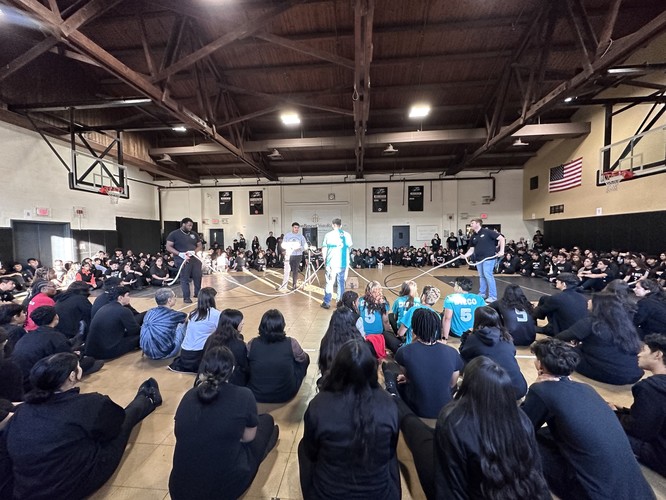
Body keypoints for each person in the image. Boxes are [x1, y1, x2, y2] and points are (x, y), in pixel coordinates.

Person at [0, 352, 161, 499]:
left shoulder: (23, 411)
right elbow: (114, 428)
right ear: (72, 376)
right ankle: (146, 399)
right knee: (125, 422)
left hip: (27, 490)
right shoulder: (90, 403)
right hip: (70, 486)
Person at [394, 356, 548, 500]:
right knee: (427, 433)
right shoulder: (522, 419)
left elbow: (450, 485)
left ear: (468, 386)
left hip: (471, 487)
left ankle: (394, 397)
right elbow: (536, 470)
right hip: (513, 489)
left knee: (417, 433)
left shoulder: (455, 419)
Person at [522, 338, 655, 500]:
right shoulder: (586, 388)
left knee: (524, 446)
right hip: (637, 491)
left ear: (541, 365)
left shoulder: (542, 390)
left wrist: (535, 387)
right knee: (549, 432)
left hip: (591, 493)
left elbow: (520, 428)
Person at [169, 347, 278, 500]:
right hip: (223, 491)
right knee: (267, 421)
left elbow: (180, 432)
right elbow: (248, 438)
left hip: (178, 491)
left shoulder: (189, 395)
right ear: (232, 369)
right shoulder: (244, 395)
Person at [299, 339, 400, 499]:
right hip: (381, 495)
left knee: (302, 447)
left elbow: (311, 452)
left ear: (337, 369)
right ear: (372, 370)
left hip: (327, 495)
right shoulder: (389, 405)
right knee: (393, 455)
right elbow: (389, 452)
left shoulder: (318, 405)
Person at [384, 308, 463, 418]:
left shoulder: (404, 351)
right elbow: (452, 384)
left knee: (389, 367)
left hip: (417, 409)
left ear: (414, 328)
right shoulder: (453, 352)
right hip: (445, 409)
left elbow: (409, 376)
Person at [556, 291, 644, 385]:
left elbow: (560, 337)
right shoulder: (625, 325)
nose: (588, 301)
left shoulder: (592, 323)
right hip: (634, 375)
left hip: (609, 374)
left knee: (558, 349)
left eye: (592, 300)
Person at [610, 333, 666, 477]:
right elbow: (658, 415)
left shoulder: (651, 387)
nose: (639, 354)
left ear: (657, 355)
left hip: (659, 455)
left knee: (601, 423)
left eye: (644, 350)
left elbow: (639, 431)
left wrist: (614, 415)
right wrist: (623, 412)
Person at [12, 306, 102, 392]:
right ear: (56, 317)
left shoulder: (28, 335)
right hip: (41, 379)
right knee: (91, 360)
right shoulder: (56, 336)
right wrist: (76, 355)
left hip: (23, 379)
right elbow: (66, 360)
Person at [459, 306, 527, 399]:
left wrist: (466, 335)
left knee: (462, 360)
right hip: (519, 388)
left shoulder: (475, 338)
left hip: (494, 394)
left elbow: (463, 353)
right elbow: (513, 352)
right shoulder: (506, 336)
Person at [247, 309, 310, 403]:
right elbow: (303, 359)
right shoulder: (291, 343)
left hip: (257, 394)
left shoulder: (252, 343)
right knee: (305, 358)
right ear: (282, 326)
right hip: (285, 394)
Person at [169, 287, 220, 373]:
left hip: (185, 354)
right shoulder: (216, 314)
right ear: (212, 299)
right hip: (199, 355)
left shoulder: (192, 313)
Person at [85, 286, 140, 360]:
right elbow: (135, 331)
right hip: (107, 351)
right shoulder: (124, 310)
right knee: (142, 336)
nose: (129, 298)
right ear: (120, 297)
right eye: (127, 295)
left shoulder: (103, 308)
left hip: (92, 350)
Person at [200, 309, 248, 387]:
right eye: (240, 321)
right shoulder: (238, 344)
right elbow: (244, 367)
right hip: (229, 381)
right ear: (233, 323)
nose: (243, 323)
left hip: (209, 378)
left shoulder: (211, 338)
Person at [318, 306, 363, 383]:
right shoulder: (358, 342)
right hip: (353, 385)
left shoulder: (326, 341)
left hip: (331, 384)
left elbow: (323, 366)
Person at [463, 218, 505, 302]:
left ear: (478, 224)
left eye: (472, 223)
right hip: (479, 259)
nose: (471, 225)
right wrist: (465, 255)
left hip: (488, 258)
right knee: (482, 276)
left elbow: (501, 238)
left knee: (488, 275)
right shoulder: (473, 236)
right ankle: (482, 293)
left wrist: (501, 250)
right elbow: (471, 249)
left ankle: (493, 296)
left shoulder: (488, 232)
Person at [140, 288, 188, 360]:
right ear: (169, 300)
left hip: (147, 353)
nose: (175, 298)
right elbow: (188, 317)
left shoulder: (150, 312)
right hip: (166, 353)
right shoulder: (173, 315)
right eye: (174, 296)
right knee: (183, 324)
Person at [166, 217, 203, 303]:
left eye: (191, 226)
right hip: (181, 259)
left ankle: (197, 293)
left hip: (194, 258)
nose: (190, 227)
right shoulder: (174, 234)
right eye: (189, 225)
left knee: (198, 276)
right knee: (185, 278)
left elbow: (200, 245)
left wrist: (194, 251)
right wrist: (179, 254)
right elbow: (168, 246)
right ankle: (186, 297)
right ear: (183, 224)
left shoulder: (194, 234)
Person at [357, 281, 399, 355]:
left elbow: (358, 317)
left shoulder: (360, 300)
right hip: (378, 335)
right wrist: (389, 333)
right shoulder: (383, 302)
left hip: (363, 335)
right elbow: (385, 322)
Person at [320, 218, 353, 309]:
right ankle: (340, 303)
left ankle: (327, 302)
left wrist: (324, 260)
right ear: (341, 225)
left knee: (329, 282)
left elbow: (324, 249)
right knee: (341, 283)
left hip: (331, 262)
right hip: (343, 263)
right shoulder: (347, 235)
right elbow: (349, 247)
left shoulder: (328, 235)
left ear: (332, 225)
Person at [277, 222, 307, 291]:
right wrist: (289, 246)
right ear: (292, 227)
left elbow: (305, 246)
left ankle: (294, 285)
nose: (296, 229)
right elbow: (283, 245)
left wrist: (300, 248)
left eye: (297, 228)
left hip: (298, 255)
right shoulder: (287, 235)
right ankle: (284, 285)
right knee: (287, 270)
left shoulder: (301, 236)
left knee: (295, 270)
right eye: (295, 227)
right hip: (289, 255)